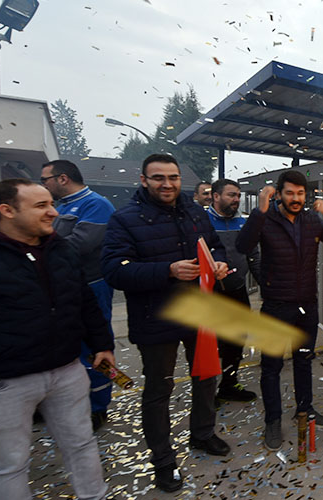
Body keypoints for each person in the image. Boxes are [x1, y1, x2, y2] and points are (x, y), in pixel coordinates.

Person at [102, 154, 231, 493]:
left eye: (173, 177)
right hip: (155, 319)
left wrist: (218, 263)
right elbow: (115, 271)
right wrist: (167, 271)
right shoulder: (124, 219)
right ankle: (163, 461)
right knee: (159, 390)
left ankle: (203, 433)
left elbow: (216, 247)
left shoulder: (194, 212)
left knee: (206, 376)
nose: (167, 184)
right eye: (158, 178)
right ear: (143, 179)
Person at [0, 178, 115, 499]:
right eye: (41, 206)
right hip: (6, 381)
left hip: (67, 370)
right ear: (7, 210)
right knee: (10, 462)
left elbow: (83, 300)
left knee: (82, 443)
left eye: (51, 204)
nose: (53, 213)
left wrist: (102, 345)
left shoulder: (59, 248)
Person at [236, 170, 323, 448]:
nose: (296, 199)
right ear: (279, 194)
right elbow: (243, 245)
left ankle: (304, 409)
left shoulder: (312, 219)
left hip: (307, 304)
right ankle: (273, 420)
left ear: (306, 195)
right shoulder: (266, 219)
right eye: (290, 193)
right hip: (275, 305)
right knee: (271, 366)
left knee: (303, 360)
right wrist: (259, 211)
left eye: (300, 193)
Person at [40, 160, 117, 430]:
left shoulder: (96, 205)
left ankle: (99, 404)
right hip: (62, 286)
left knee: (97, 346)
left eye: (45, 179)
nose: (44, 185)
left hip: (93, 285)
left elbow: (78, 245)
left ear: (62, 178)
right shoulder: (59, 208)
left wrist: (38, 250)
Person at [207, 179, 261, 404]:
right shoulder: (202, 222)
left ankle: (229, 384)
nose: (236, 200)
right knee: (209, 343)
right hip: (209, 295)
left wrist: (265, 283)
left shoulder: (243, 222)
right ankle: (206, 393)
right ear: (216, 196)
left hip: (237, 290)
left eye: (238, 195)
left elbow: (254, 255)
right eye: (231, 195)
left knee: (236, 340)